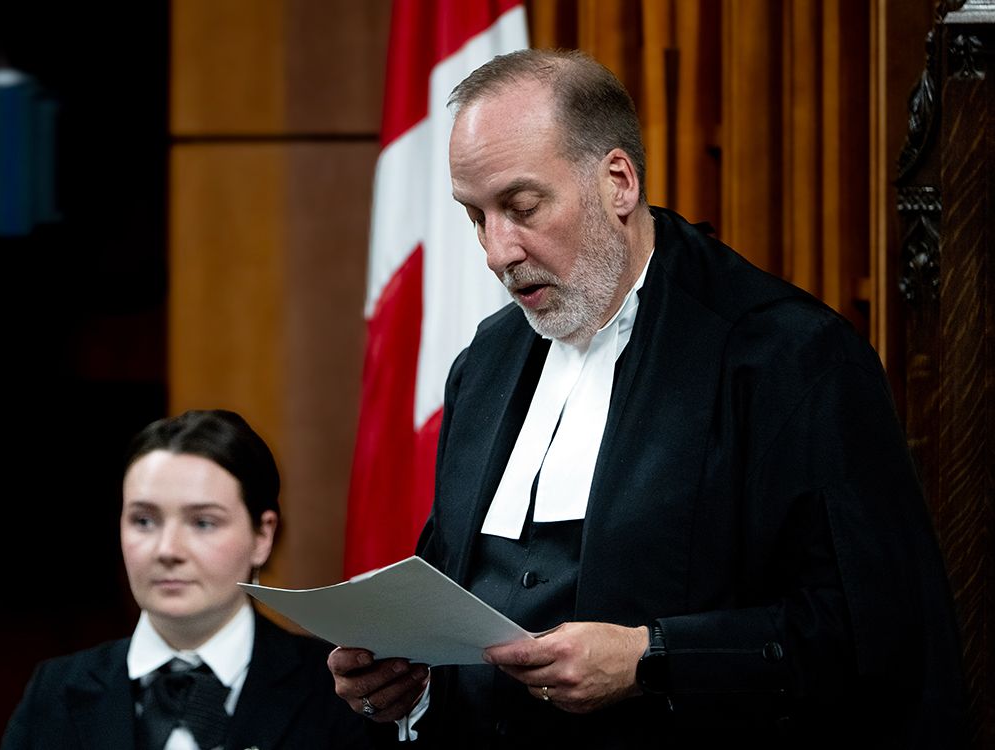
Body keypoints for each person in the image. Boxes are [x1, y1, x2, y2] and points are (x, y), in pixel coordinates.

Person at [328, 49, 967, 748]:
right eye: (476, 216)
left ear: (618, 181)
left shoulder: (788, 358)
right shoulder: (483, 362)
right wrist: (407, 687)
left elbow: (869, 636)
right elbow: (450, 599)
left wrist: (651, 659)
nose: (496, 251)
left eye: (520, 206)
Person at [4, 409, 372, 750]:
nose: (167, 550)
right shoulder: (54, 689)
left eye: (203, 523)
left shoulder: (340, 688)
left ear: (263, 535)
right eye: (144, 521)